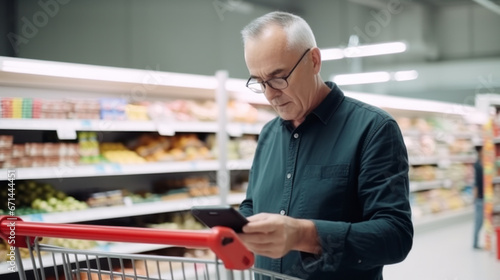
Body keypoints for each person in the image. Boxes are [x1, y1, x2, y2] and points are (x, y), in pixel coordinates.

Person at [237, 11, 413, 279]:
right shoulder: (268, 133)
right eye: (260, 82)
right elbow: (252, 204)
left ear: (314, 60)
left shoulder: (373, 129)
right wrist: (239, 226)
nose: (270, 94)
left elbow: (395, 236)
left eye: (278, 77)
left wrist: (304, 235)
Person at [473, 145, 484, 249]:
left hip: (486, 196)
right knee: (479, 221)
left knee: (481, 221)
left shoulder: (485, 164)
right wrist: (475, 198)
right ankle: (475, 243)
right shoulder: (477, 165)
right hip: (480, 197)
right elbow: (476, 183)